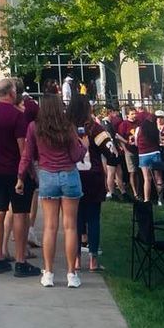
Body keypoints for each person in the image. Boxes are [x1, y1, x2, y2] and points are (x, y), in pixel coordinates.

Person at [20, 95, 86, 288]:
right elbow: (75, 155)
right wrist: (84, 147)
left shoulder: (34, 127)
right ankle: (71, 274)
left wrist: (20, 176)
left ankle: (48, 272)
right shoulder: (68, 126)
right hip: (69, 175)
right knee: (71, 227)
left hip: (47, 175)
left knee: (50, 226)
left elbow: (27, 154)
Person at [0, 77, 40, 277]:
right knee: (21, 213)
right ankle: (21, 261)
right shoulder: (17, 116)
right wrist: (28, 171)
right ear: (12, 92)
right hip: (16, 171)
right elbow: (23, 148)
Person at [68, 94, 113, 274]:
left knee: (76, 219)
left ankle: (76, 259)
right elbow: (111, 152)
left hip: (73, 177)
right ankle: (93, 259)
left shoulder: (67, 128)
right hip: (93, 177)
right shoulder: (95, 128)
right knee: (93, 219)